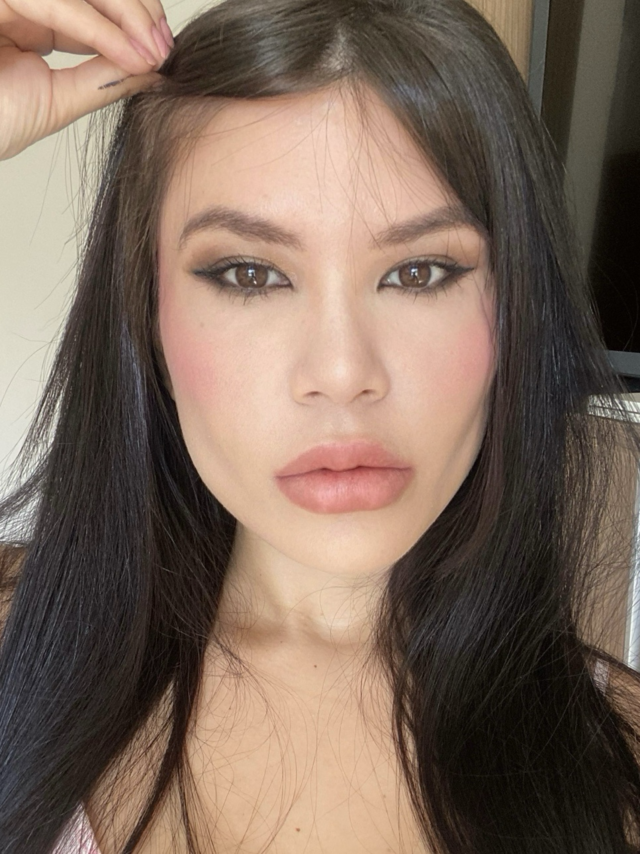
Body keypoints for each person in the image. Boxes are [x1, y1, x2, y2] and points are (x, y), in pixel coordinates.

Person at [1, 0, 640, 852]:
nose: (342, 373)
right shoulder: (16, 647)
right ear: (145, 314)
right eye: (250, 274)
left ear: (516, 307)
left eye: (420, 272)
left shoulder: (619, 764)